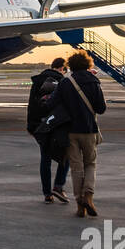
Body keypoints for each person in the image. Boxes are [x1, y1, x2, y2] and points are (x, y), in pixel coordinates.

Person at [54, 50, 106, 218]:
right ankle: (88, 197)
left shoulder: (65, 82)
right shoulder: (94, 81)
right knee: (90, 164)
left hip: (70, 131)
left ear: (71, 65)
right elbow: (101, 109)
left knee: (76, 168)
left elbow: (53, 102)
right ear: (87, 64)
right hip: (89, 130)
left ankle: (79, 205)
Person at [27, 56, 70, 203]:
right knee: (65, 156)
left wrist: (31, 126)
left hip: (39, 126)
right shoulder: (62, 82)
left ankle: (47, 193)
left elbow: (31, 106)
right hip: (57, 126)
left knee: (45, 159)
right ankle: (58, 186)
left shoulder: (37, 81)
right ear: (62, 68)